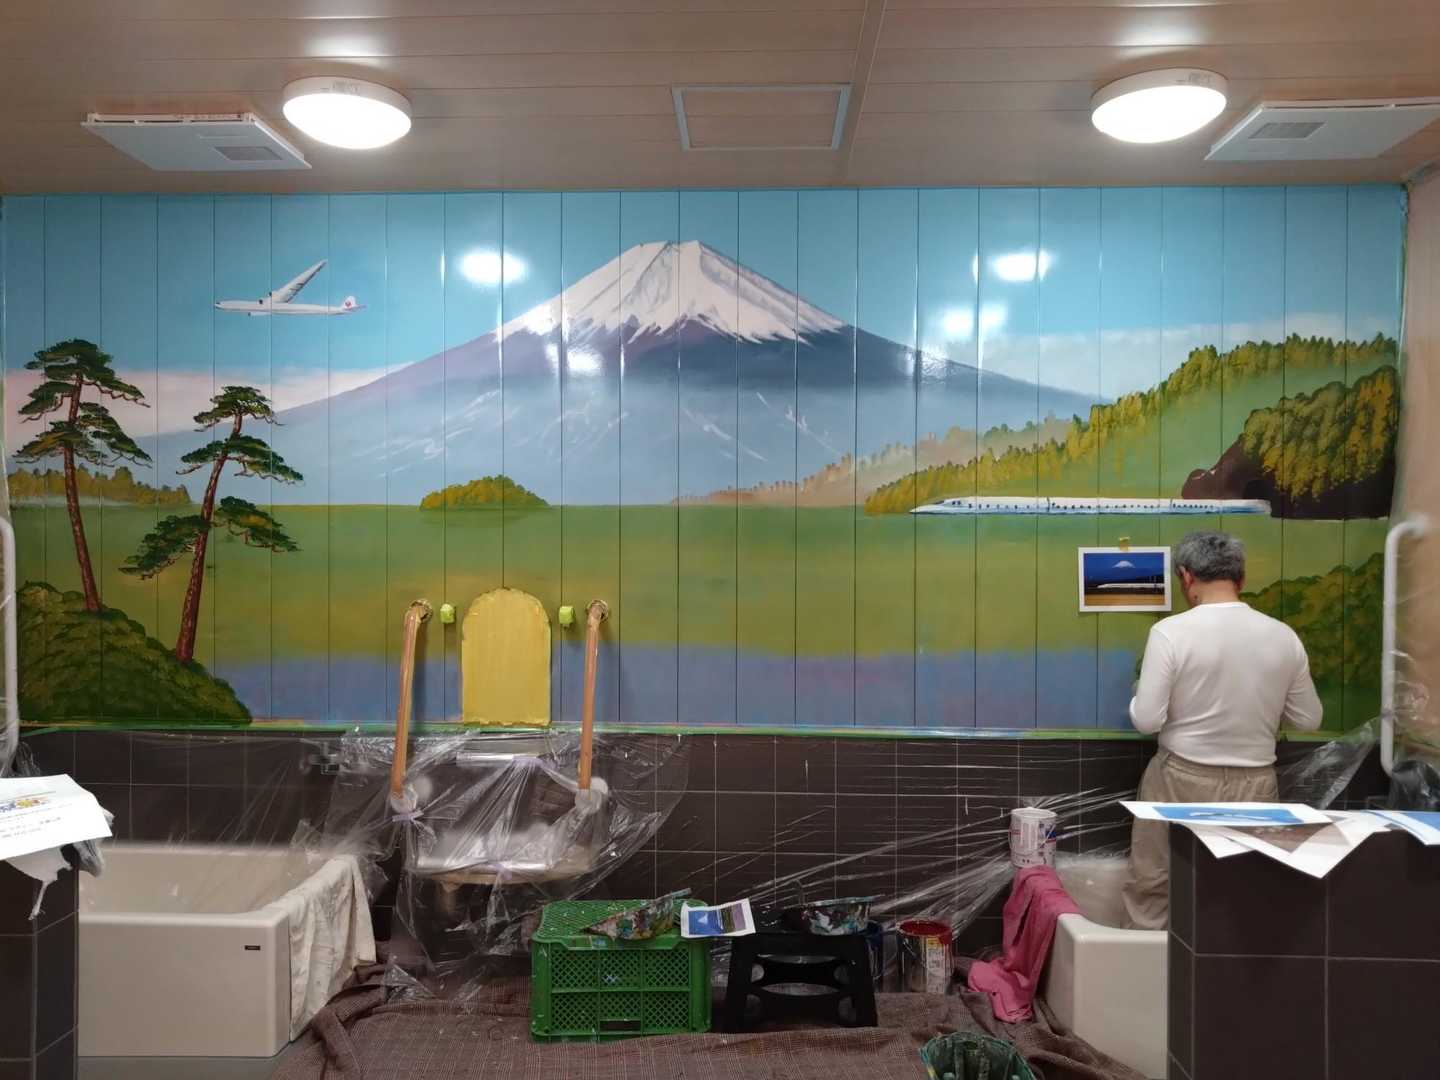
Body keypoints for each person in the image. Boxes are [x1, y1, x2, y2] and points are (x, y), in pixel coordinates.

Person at [1121, 530, 1323, 930]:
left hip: (1180, 780)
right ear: (1241, 578)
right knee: (1243, 892)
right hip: (1256, 784)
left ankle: (1146, 964)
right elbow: (1308, 719)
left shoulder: (1171, 632)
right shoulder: (1283, 636)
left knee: (1154, 886)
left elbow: (1146, 721)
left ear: (1186, 576)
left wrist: (1136, 696)